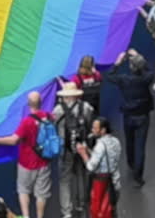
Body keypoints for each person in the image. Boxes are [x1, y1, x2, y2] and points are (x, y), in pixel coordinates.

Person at [0, 91, 53, 218]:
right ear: (41, 103)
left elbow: (14, 140)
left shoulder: (26, 122)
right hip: (44, 160)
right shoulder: (48, 116)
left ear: (28, 104)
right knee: (41, 193)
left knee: (23, 190)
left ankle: (26, 216)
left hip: (27, 163)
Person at [105, 49, 153, 187]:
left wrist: (118, 63)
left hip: (128, 115)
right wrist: (139, 56)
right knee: (140, 145)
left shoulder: (124, 80)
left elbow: (109, 75)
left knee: (130, 142)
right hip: (143, 115)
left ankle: (131, 164)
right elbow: (149, 71)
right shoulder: (145, 79)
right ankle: (138, 176)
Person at [52, 82, 93, 218]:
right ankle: (81, 203)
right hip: (81, 147)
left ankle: (67, 211)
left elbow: (53, 126)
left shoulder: (58, 110)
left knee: (64, 180)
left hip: (65, 149)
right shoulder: (85, 107)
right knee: (81, 175)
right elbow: (89, 123)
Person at [76, 116, 121, 218]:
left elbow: (91, 166)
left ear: (103, 130)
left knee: (98, 212)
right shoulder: (116, 141)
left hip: (101, 184)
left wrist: (83, 154)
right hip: (114, 181)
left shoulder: (100, 145)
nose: (92, 130)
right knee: (110, 210)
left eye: (95, 128)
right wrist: (88, 150)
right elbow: (105, 159)